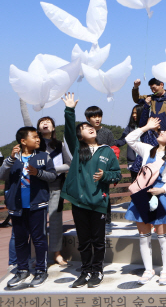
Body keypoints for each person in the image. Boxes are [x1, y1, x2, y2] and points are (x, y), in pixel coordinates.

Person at [60, 93, 121, 289]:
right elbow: (70, 130)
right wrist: (70, 110)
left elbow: (117, 174)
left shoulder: (107, 151)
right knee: (84, 241)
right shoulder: (78, 150)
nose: (90, 128)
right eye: (85, 128)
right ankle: (85, 271)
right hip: (79, 202)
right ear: (80, 136)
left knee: (98, 240)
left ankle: (97, 270)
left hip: (99, 202)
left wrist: (105, 176)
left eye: (91, 127)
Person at [125, 115, 166, 286]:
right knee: (144, 236)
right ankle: (148, 269)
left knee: (163, 236)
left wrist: (162, 190)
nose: (162, 131)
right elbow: (130, 139)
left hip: (161, 197)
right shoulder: (147, 149)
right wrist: (145, 127)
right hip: (143, 196)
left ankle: (165, 270)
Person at [0, 127, 56, 288]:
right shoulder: (13, 159)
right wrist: (9, 159)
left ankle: (41, 270)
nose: (38, 139)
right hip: (17, 207)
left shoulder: (44, 156)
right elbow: (0, 176)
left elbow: (52, 176)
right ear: (23, 141)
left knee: (39, 239)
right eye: (34, 137)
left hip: (38, 204)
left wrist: (38, 173)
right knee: (21, 240)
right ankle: (22, 270)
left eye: (38, 137)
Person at [37, 116, 71, 267]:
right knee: (39, 222)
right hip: (38, 189)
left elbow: (69, 164)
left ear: (53, 128)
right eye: (42, 122)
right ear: (38, 128)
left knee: (56, 222)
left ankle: (57, 253)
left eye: (48, 122)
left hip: (56, 187)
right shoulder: (35, 144)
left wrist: (51, 170)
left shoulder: (59, 145)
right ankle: (40, 256)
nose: (45, 124)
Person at [85, 105, 117, 235]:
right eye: (93, 116)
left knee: (104, 196)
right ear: (87, 118)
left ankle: (107, 223)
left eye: (99, 116)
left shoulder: (107, 132)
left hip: (103, 171)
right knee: (88, 195)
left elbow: (113, 151)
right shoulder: (84, 131)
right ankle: (89, 223)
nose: (97, 119)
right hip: (87, 170)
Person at [132, 78, 166, 143]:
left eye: (154, 88)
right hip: (153, 134)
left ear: (161, 85)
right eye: (151, 89)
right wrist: (136, 87)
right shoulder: (151, 98)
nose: (153, 91)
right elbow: (137, 99)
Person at [115, 104, 144, 182]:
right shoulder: (130, 127)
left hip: (146, 161)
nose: (134, 115)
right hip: (133, 162)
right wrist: (110, 141)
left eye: (136, 113)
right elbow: (122, 141)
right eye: (133, 113)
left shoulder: (148, 127)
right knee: (135, 184)